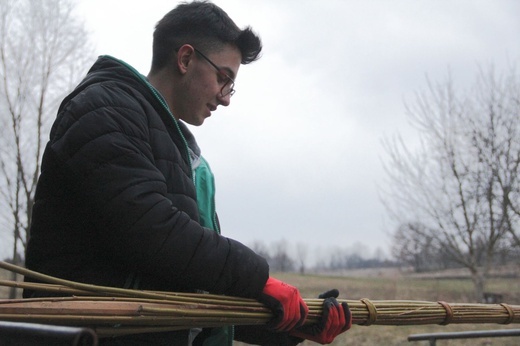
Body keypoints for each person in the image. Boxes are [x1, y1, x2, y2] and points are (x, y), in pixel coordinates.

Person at [23, 1, 352, 345]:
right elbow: (152, 231)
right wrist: (257, 278)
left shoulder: (181, 152)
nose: (225, 98)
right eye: (223, 78)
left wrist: (288, 326)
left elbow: (188, 292)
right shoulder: (103, 110)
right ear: (185, 59)